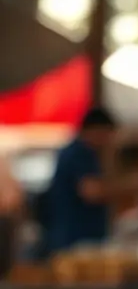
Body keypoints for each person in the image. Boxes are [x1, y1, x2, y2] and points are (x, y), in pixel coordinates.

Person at [42, 108, 121, 256]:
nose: (109, 141)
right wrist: (133, 185)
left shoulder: (85, 154)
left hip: (76, 238)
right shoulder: (78, 153)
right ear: (96, 131)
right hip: (75, 241)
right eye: (107, 135)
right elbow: (92, 192)